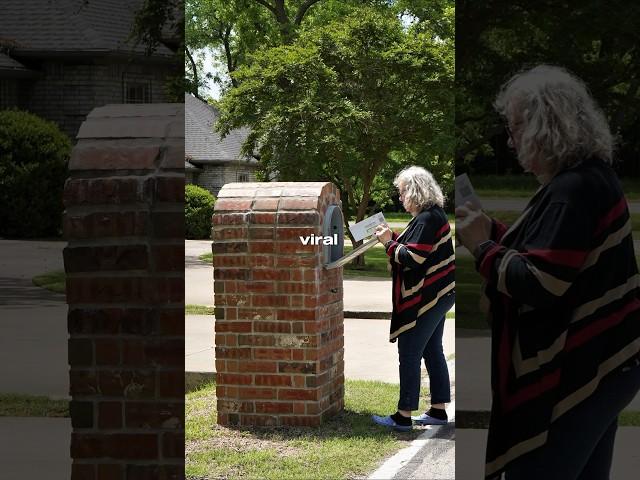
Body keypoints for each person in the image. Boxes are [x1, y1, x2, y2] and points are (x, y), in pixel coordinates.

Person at [456, 65, 640, 479]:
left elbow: (543, 282)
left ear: (546, 126)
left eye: (518, 126)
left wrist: (482, 247)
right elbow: (557, 252)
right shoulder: (590, 179)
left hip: (577, 376)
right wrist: (495, 232)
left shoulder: (572, 190)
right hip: (606, 365)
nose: (511, 138)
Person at [371, 166, 455, 431]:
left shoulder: (428, 218)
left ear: (415, 190)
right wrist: (394, 239)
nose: (400, 197)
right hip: (441, 294)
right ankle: (438, 411)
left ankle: (403, 415)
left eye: (403, 191)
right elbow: (419, 249)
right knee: (432, 350)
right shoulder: (431, 215)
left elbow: (415, 259)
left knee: (409, 351)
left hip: (429, 297)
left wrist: (388, 243)